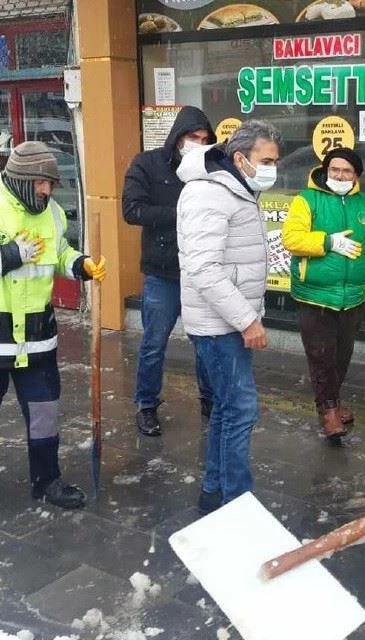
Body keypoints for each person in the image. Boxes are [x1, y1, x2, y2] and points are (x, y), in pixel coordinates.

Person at [0, 141, 107, 510]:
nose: (47, 191)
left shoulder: (53, 213)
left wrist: (79, 264)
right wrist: (9, 255)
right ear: (19, 179)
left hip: (35, 335)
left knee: (45, 411)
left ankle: (47, 480)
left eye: (51, 184)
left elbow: (58, 253)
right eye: (40, 183)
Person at [176, 119, 281, 514]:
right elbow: (204, 269)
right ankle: (237, 501)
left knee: (226, 406)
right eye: (266, 161)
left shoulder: (236, 188)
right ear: (240, 158)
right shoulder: (210, 194)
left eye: (275, 161)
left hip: (227, 321)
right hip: (219, 324)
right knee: (240, 409)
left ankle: (215, 491)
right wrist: (247, 321)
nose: (272, 168)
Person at [282, 147, 365, 439]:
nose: (340, 175)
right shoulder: (307, 200)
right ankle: (329, 411)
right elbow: (291, 239)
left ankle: (332, 400)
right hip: (315, 295)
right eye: (334, 169)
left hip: (353, 295)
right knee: (322, 356)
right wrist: (328, 242)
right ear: (325, 170)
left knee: (341, 356)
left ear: (356, 175)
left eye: (346, 171)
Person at [123, 106, 217, 436]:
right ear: (178, 136)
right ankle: (146, 404)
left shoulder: (210, 166)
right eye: (193, 137)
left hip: (201, 270)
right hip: (163, 272)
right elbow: (132, 210)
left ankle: (209, 400)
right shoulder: (147, 164)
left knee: (206, 341)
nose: (198, 144)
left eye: (204, 139)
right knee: (154, 343)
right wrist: (182, 213)